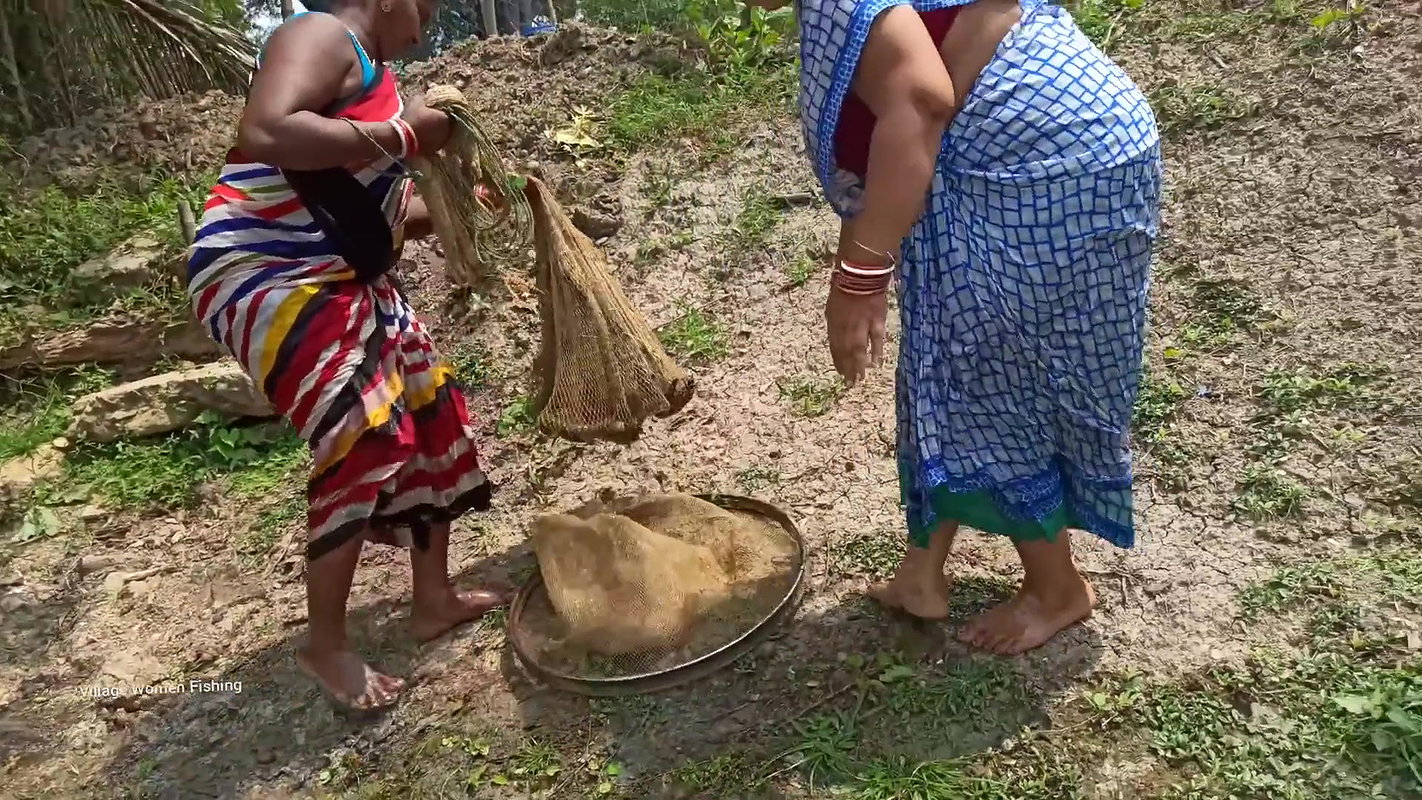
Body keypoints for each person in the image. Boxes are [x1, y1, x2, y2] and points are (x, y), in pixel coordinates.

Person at [750, 0, 1161, 654]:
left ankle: (1058, 591)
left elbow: (920, 102)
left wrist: (860, 278)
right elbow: (891, 149)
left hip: (1039, 170)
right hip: (1070, 147)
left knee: (995, 368)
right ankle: (922, 573)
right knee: (942, 352)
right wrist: (856, 269)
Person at [187, 0, 506, 710]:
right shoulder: (321, 35)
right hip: (265, 270)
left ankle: (433, 599)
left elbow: (381, 219)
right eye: (424, 2)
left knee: (431, 409)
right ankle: (323, 647)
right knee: (365, 431)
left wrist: (475, 202)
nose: (430, 18)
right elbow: (268, 129)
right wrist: (402, 134)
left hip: (343, 273)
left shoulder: (378, 80)